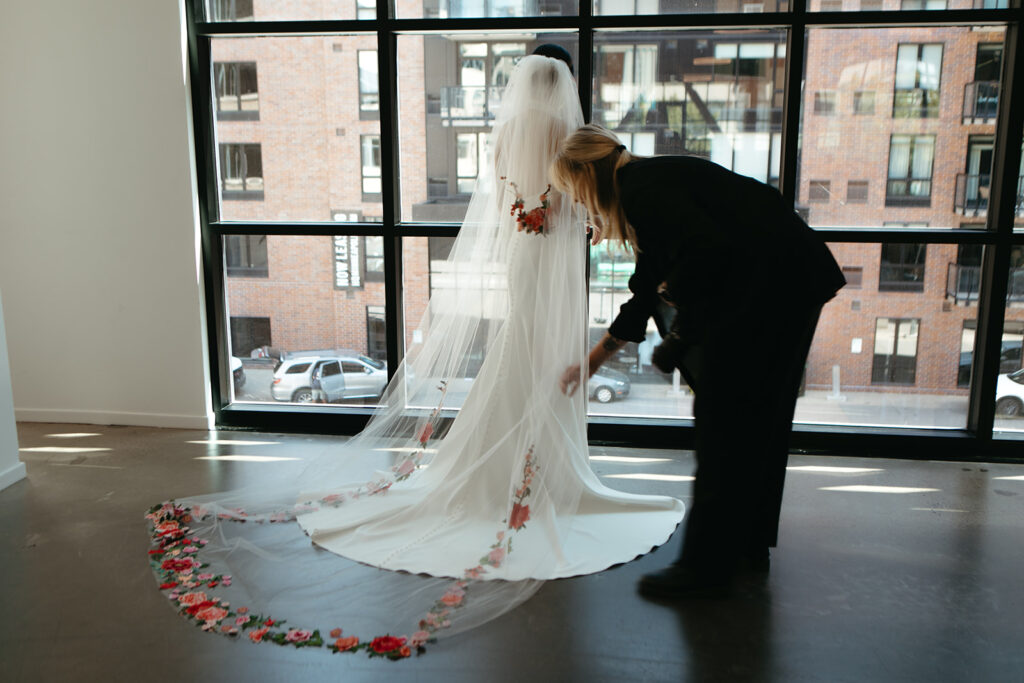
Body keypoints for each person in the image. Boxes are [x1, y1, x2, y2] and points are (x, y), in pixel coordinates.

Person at [146, 57, 682, 654]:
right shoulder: (569, 136)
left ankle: (508, 467)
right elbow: (576, 202)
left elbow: (506, 192)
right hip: (555, 261)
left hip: (525, 257)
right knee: (544, 351)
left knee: (521, 350)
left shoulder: (508, 132)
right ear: (561, 87)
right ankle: (540, 476)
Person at [552, 124, 846, 598]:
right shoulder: (652, 182)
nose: (582, 205)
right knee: (759, 424)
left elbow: (705, 258)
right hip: (794, 282)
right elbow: (647, 287)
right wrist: (593, 361)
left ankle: (704, 569)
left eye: (575, 191)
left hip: (774, 290)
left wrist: (681, 329)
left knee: (723, 422)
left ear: (588, 171)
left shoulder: (642, 191)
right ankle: (746, 545)